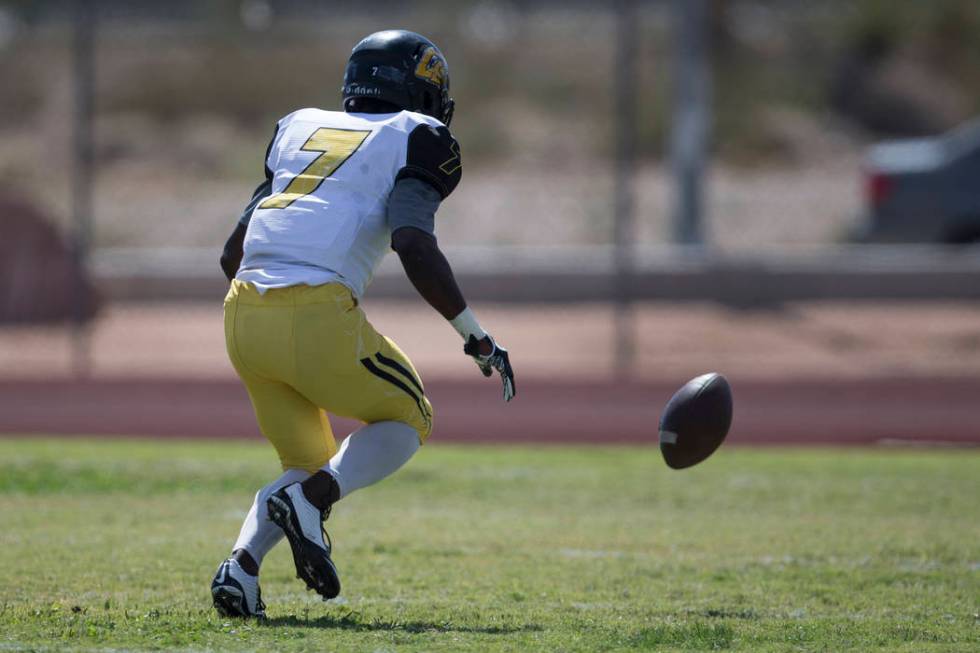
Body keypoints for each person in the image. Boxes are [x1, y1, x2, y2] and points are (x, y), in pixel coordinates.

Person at [209, 29, 515, 618]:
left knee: (304, 460)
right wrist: (476, 336)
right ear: (418, 90)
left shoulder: (297, 127)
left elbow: (231, 254)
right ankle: (314, 500)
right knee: (408, 415)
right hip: (314, 312)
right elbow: (412, 243)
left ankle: (240, 569)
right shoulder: (417, 136)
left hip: (241, 315)